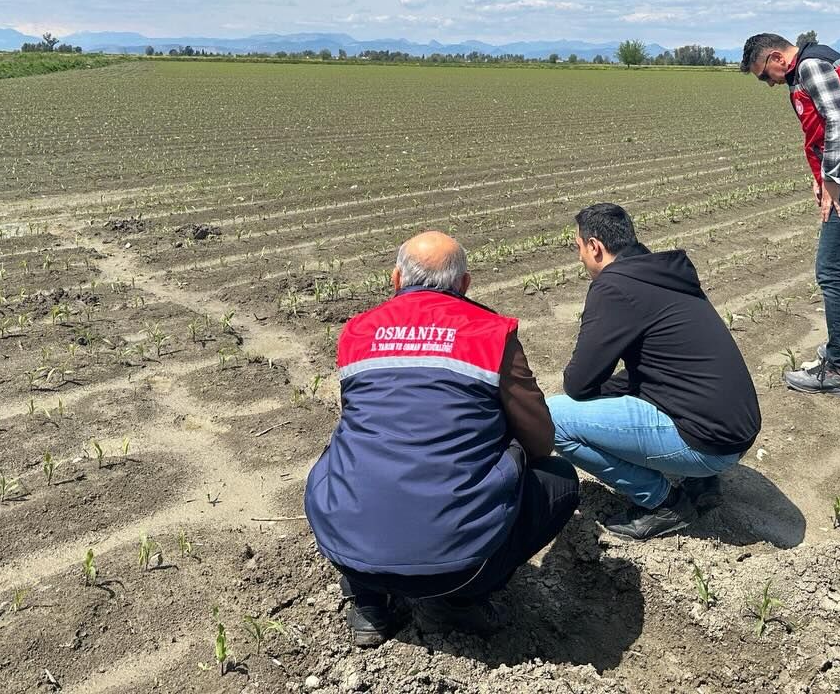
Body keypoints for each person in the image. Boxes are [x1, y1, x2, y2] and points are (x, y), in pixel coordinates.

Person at [304, 231, 579, 647]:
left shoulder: (358, 331)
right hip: (458, 566)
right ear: (464, 284)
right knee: (559, 478)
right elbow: (540, 441)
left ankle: (368, 602)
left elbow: (356, 419)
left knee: (346, 453)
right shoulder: (491, 333)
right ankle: (454, 600)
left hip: (347, 550)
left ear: (396, 279)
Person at [547, 204, 761, 540]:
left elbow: (577, 382)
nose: (579, 258)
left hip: (708, 443)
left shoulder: (613, 287)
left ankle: (662, 503)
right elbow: (660, 369)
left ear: (595, 247)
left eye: (578, 248)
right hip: (735, 430)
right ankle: (697, 480)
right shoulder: (662, 273)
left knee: (551, 418)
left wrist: (600, 394)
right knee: (634, 387)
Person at [740, 33, 840, 397]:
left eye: (765, 75)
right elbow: (823, 128)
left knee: (831, 270)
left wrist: (832, 180)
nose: (769, 84)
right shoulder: (815, 63)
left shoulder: (811, 66)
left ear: (778, 58)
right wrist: (822, 175)